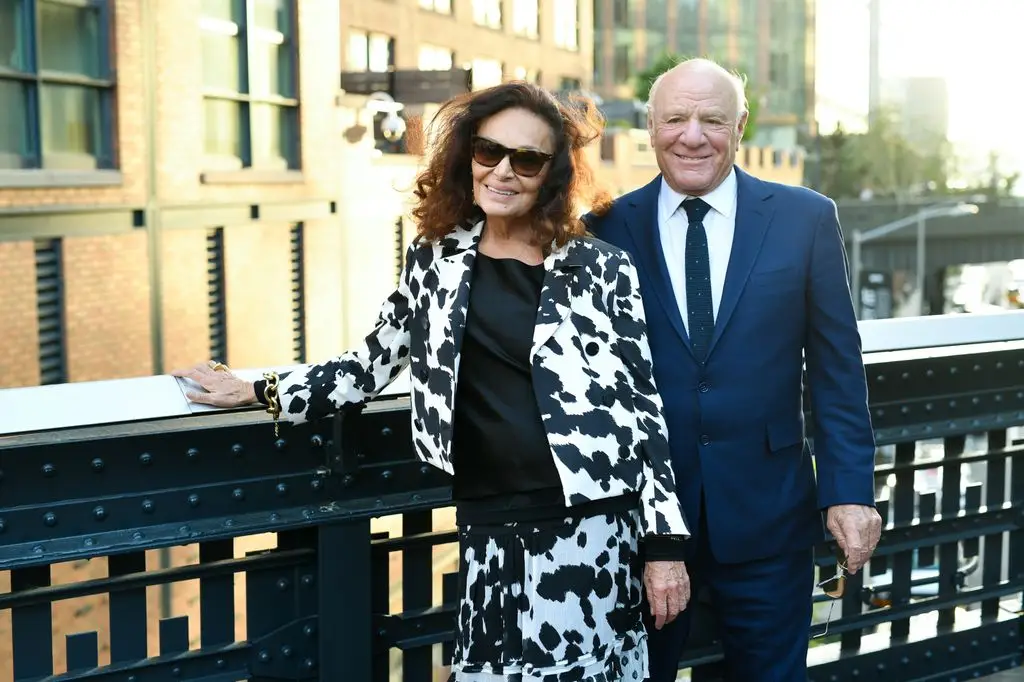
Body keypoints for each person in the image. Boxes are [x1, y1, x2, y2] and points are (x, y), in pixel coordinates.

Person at [172, 82, 693, 682]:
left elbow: (641, 408)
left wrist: (665, 548)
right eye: (487, 151)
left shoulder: (600, 267)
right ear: (465, 156)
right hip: (488, 523)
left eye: (526, 159)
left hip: (590, 524)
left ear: (552, 175)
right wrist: (259, 389)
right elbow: (367, 366)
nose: (501, 171)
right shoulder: (434, 261)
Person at [583, 58, 883, 681]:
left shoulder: (805, 218)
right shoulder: (604, 229)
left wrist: (849, 490)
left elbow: (836, 367)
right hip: (641, 532)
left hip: (769, 520)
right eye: (675, 118)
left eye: (712, 119)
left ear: (740, 126)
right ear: (650, 127)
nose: (692, 135)